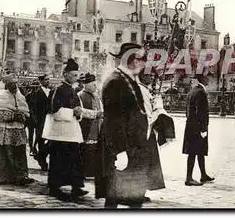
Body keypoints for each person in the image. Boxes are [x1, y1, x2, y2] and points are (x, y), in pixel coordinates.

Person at [96, 43, 166, 208]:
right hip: (123, 150)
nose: (144, 63)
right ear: (131, 59)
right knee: (114, 197)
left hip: (135, 148)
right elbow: (114, 120)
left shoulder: (129, 80)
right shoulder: (115, 81)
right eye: (141, 59)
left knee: (134, 198)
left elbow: (136, 112)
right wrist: (120, 151)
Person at [43, 59, 88, 201]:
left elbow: (76, 109)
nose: (76, 78)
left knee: (74, 159)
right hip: (60, 132)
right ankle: (54, 187)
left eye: (77, 75)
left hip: (71, 131)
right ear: (65, 74)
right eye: (74, 75)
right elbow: (52, 110)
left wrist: (79, 112)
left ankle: (76, 186)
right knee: (58, 160)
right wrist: (72, 112)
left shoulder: (73, 90)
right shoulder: (58, 89)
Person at [0, 73, 35, 186]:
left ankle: (20, 177)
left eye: (15, 84)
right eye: (12, 84)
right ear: (7, 85)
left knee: (18, 153)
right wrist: (9, 115)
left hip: (17, 130)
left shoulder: (20, 97)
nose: (14, 86)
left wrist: (22, 116)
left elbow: (25, 112)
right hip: (0, 130)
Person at [183, 73, 215, 186]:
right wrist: (203, 128)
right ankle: (189, 178)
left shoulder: (192, 91)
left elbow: (187, 111)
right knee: (193, 152)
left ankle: (203, 175)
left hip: (191, 126)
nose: (209, 80)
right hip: (197, 128)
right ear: (203, 79)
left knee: (199, 151)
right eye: (208, 78)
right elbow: (200, 112)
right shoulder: (201, 92)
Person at [77, 73, 104, 179]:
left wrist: (102, 113)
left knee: (95, 149)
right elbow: (80, 111)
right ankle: (85, 171)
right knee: (86, 149)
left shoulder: (96, 96)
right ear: (87, 85)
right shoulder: (80, 95)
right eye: (93, 85)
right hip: (86, 126)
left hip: (97, 126)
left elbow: (101, 108)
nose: (95, 87)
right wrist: (94, 114)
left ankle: (93, 171)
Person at [26, 75, 53, 171]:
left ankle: (40, 157)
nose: (48, 81)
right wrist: (36, 119)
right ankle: (43, 161)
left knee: (48, 141)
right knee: (41, 140)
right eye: (46, 80)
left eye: (48, 80)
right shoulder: (36, 93)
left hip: (49, 120)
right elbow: (34, 108)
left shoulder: (51, 91)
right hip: (40, 121)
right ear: (41, 81)